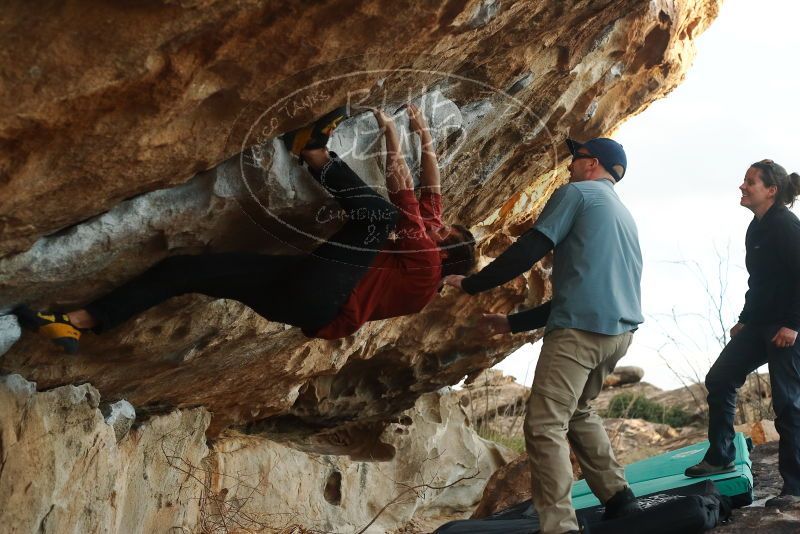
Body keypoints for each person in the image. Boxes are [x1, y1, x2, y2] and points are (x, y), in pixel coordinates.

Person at [16, 105, 475, 353]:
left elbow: (404, 196)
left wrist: (391, 133)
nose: (438, 228)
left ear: (445, 254)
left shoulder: (424, 265)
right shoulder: (426, 260)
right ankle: (78, 323)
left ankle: (312, 151)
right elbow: (430, 193)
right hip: (298, 299)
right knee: (183, 271)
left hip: (321, 295)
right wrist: (422, 133)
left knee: (381, 217)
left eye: (444, 234)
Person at [443, 137, 643, 534]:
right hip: (618, 335)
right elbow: (583, 288)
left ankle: (558, 527)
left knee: (543, 425)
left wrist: (471, 284)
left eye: (576, 158)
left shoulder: (577, 194)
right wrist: (512, 324)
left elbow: (529, 249)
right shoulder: (621, 214)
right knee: (580, 413)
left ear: (593, 164)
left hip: (580, 334)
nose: (569, 165)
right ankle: (620, 499)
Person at [685, 159, 800, 507]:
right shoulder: (757, 227)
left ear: (771, 190)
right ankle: (720, 455)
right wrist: (746, 318)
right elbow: (760, 282)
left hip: (788, 327)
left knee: (788, 404)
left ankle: (795, 489)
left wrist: (793, 325)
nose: (742, 186)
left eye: (750, 182)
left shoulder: (785, 225)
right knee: (720, 377)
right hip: (761, 323)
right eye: (744, 181)